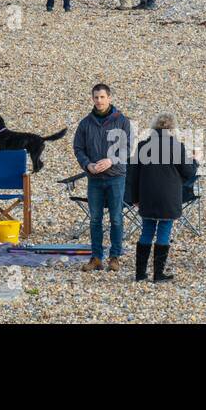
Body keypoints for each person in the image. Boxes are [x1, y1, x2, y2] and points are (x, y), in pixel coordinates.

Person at [127, 113, 197, 282]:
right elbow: (188, 173)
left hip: (147, 196)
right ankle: (158, 274)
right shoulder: (176, 146)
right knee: (164, 232)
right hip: (168, 197)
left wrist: (134, 197)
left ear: (154, 127)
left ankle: (140, 274)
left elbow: (133, 174)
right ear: (172, 128)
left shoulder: (143, 145)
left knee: (146, 231)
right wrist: (195, 161)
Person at [73, 83, 134, 271]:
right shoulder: (85, 123)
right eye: (96, 97)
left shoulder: (122, 121)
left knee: (116, 218)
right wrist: (87, 165)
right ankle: (96, 257)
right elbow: (78, 148)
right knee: (95, 219)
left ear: (109, 98)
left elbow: (128, 148)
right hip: (94, 179)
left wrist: (111, 160)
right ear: (92, 99)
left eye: (102, 97)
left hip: (116, 176)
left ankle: (114, 256)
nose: (99, 101)